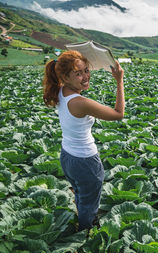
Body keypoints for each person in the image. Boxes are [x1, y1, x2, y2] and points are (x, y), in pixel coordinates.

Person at [42, 50, 124, 231]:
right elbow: (118, 114)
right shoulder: (80, 102)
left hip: (68, 156)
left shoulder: (61, 91)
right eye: (78, 73)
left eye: (86, 70)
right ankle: (86, 233)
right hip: (85, 160)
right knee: (89, 202)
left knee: (80, 193)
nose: (85, 76)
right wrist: (119, 81)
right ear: (64, 77)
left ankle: (83, 218)